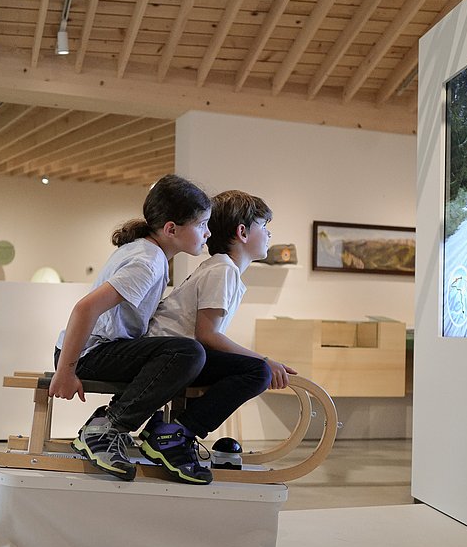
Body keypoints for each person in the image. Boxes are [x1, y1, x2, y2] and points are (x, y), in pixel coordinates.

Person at [49, 174, 213, 484]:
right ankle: (107, 428)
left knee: (184, 351)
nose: (207, 232)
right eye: (202, 224)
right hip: (87, 353)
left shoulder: (150, 254)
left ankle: (115, 425)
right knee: (188, 352)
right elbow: (85, 309)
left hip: (94, 349)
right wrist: (66, 371)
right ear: (171, 229)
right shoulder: (147, 261)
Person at [145, 190, 296, 459]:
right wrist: (265, 360)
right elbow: (208, 335)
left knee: (247, 368)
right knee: (258, 372)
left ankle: (171, 430)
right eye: (264, 226)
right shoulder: (223, 270)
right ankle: (176, 433)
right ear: (243, 232)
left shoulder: (221, 268)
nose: (270, 235)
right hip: (167, 355)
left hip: (173, 352)